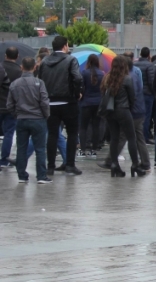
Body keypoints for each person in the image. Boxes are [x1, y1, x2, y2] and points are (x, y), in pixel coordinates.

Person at [39, 36, 83, 176]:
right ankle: (70, 164)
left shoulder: (45, 61)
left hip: (50, 103)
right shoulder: (70, 60)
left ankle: (50, 166)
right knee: (71, 134)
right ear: (65, 46)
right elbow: (77, 77)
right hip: (68, 102)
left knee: (52, 135)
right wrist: (77, 93)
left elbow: (39, 80)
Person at [101, 56, 144, 178]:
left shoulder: (107, 79)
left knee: (114, 138)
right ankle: (135, 165)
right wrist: (128, 107)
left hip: (110, 112)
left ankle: (114, 164)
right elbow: (132, 97)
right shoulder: (127, 79)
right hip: (123, 110)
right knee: (131, 137)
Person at [9, 57, 51, 184]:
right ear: (35, 67)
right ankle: (41, 176)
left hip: (21, 119)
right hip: (38, 118)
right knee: (40, 148)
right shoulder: (39, 83)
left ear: (21, 67)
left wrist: (16, 114)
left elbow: (10, 104)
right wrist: (46, 115)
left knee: (21, 148)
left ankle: (22, 175)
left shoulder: (14, 84)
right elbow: (44, 102)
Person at [77, 54, 104, 159]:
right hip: (98, 103)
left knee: (83, 127)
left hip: (86, 103)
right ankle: (94, 150)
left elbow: (81, 87)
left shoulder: (84, 73)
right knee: (96, 126)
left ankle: (83, 149)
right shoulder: (101, 74)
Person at [0, 46, 21, 168]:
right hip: (10, 107)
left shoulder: (1, 67)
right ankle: (4, 160)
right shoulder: (19, 71)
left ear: (5, 55)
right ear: (17, 56)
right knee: (9, 133)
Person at [135, 47, 156, 142]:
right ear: (148, 55)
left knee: (137, 116)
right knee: (147, 115)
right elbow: (151, 81)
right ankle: (145, 136)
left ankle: (136, 135)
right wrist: (153, 92)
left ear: (140, 54)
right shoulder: (149, 65)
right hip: (147, 94)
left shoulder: (135, 65)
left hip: (137, 93)